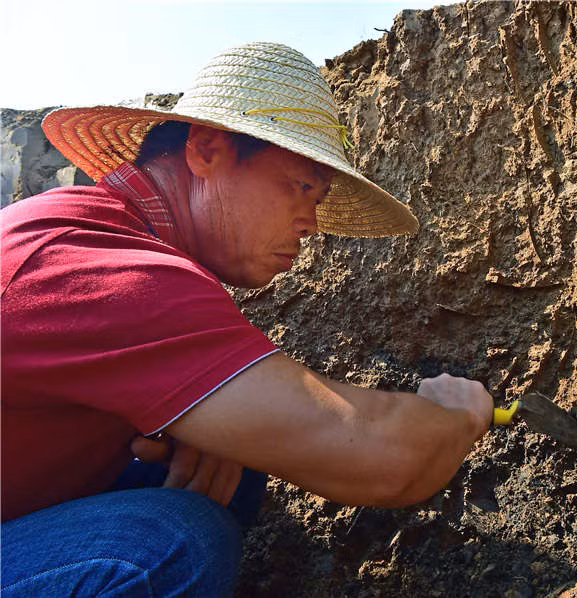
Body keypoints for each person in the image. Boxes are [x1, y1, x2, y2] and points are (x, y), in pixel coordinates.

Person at [1, 42, 493, 596]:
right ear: (207, 150)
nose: (310, 223)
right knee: (170, 542)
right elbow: (385, 456)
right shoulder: (104, 268)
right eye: (302, 186)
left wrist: (181, 422)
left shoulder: (102, 236)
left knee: (234, 464)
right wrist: (460, 416)